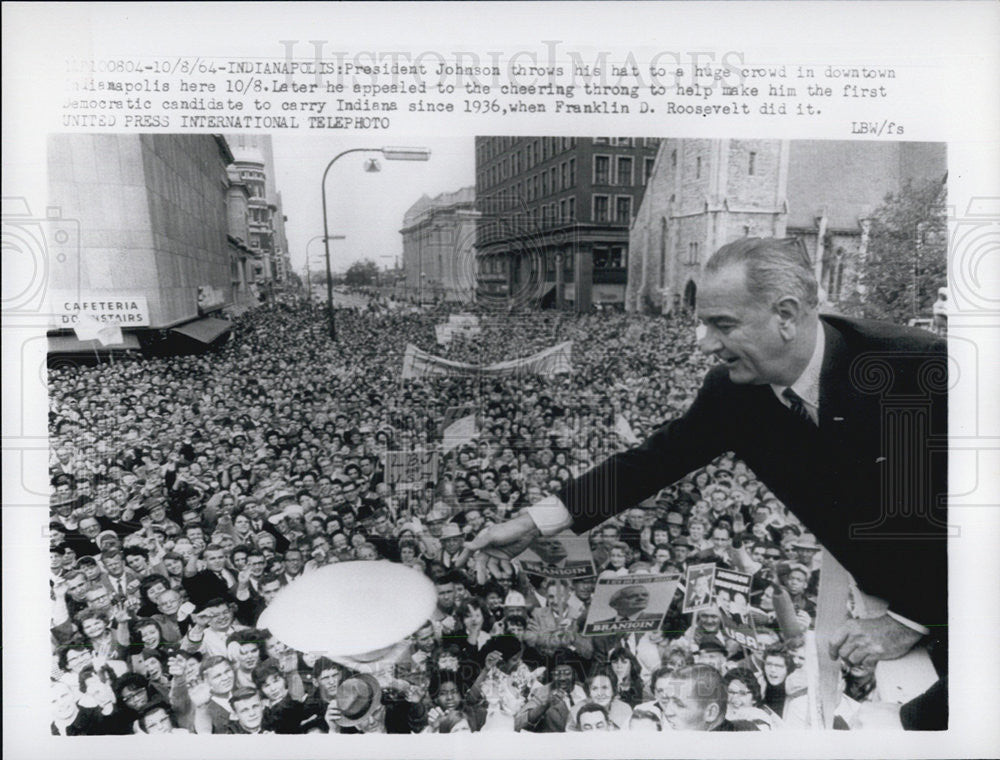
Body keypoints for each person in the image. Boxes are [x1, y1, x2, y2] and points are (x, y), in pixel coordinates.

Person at [466, 237, 947, 729]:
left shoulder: (917, 369)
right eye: (702, 322)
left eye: (722, 324)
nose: (704, 343)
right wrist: (536, 520)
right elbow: (652, 461)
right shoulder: (733, 389)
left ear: (785, 314)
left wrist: (908, 623)